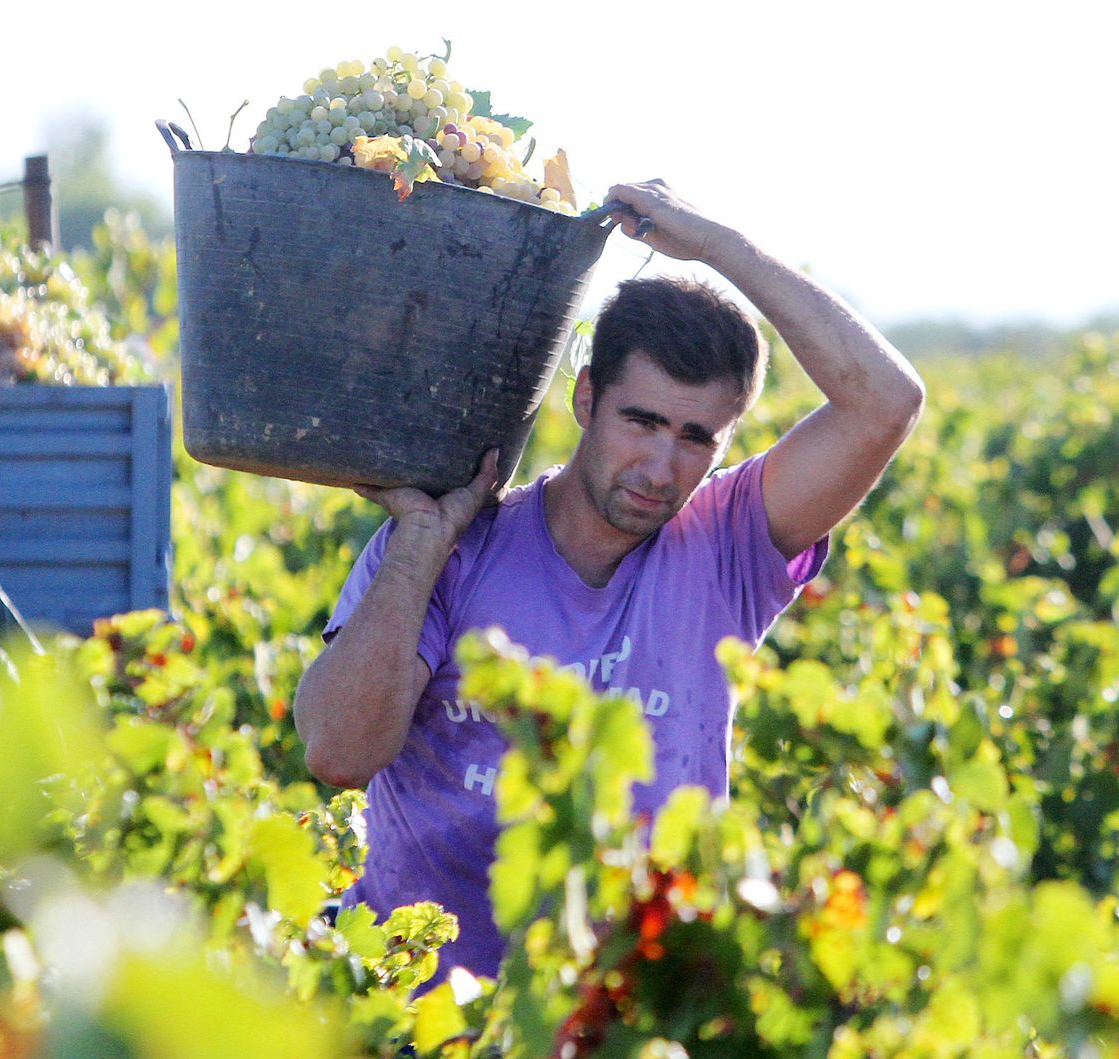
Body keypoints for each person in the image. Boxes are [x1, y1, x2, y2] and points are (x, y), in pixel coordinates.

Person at [292, 180, 926, 983]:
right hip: (419, 1013)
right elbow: (341, 751)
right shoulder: (451, 546)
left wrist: (719, 246)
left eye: (698, 437)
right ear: (586, 396)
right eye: (643, 421)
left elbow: (888, 402)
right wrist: (420, 537)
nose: (662, 467)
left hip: (622, 1019)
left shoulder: (728, 544)